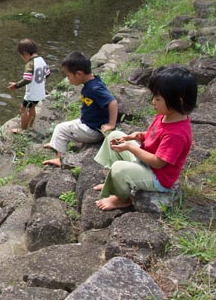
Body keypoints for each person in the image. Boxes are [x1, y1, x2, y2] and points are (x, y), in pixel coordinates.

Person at [93, 65, 197, 210]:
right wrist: (140, 136)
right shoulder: (164, 115)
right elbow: (154, 136)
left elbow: (158, 163)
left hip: (157, 177)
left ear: (178, 102)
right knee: (115, 135)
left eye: (158, 98)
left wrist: (130, 147)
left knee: (119, 169)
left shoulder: (177, 134)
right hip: (145, 163)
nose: (153, 102)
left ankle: (122, 198)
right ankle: (114, 183)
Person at [42, 51, 118, 168]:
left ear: (78, 74)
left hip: (93, 130)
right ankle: (55, 143)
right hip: (89, 123)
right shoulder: (92, 83)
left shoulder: (95, 88)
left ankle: (60, 159)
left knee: (61, 129)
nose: (68, 79)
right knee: (66, 125)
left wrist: (111, 124)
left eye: (68, 76)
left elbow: (112, 102)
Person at [6, 39, 50, 134]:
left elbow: (27, 79)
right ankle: (30, 126)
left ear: (25, 54)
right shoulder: (42, 60)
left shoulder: (30, 64)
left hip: (32, 94)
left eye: (21, 56)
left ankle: (22, 129)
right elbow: (47, 73)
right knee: (32, 108)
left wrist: (16, 85)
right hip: (40, 92)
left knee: (23, 109)